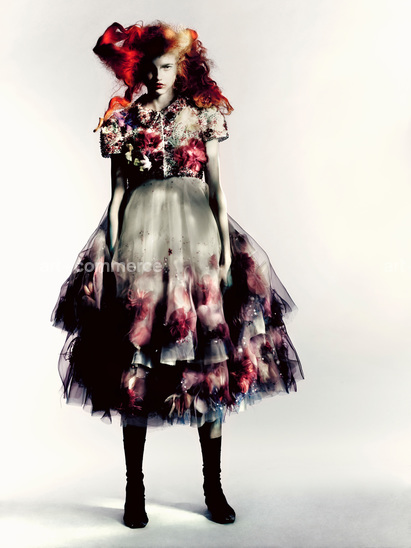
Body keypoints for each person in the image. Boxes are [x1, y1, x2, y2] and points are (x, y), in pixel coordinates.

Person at [51, 20, 304, 529]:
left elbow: (216, 185)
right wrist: (112, 252)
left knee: (208, 355)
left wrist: (226, 249)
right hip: (141, 241)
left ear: (181, 67)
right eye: (148, 67)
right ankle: (134, 489)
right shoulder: (125, 119)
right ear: (136, 70)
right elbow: (117, 194)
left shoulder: (202, 114)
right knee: (137, 355)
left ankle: (213, 486)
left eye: (166, 66)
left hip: (198, 240)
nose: (157, 75)